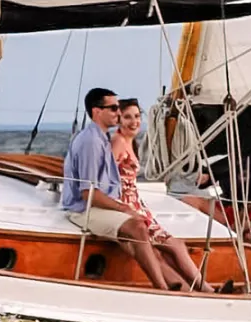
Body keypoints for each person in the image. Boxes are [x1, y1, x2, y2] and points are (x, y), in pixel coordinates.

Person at [62, 88, 170, 290]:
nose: (118, 113)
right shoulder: (91, 142)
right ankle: (162, 288)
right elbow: (88, 193)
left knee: (141, 228)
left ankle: (175, 285)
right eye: (112, 108)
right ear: (96, 112)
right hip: (82, 209)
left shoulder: (101, 137)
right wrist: (124, 209)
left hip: (97, 205)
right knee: (137, 226)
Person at [111, 99, 214, 292]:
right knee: (175, 246)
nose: (134, 121)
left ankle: (188, 289)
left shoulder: (128, 141)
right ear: (118, 120)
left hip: (136, 204)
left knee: (165, 251)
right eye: (127, 117)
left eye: (136, 116)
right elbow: (107, 175)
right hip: (128, 206)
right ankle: (206, 290)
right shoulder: (118, 141)